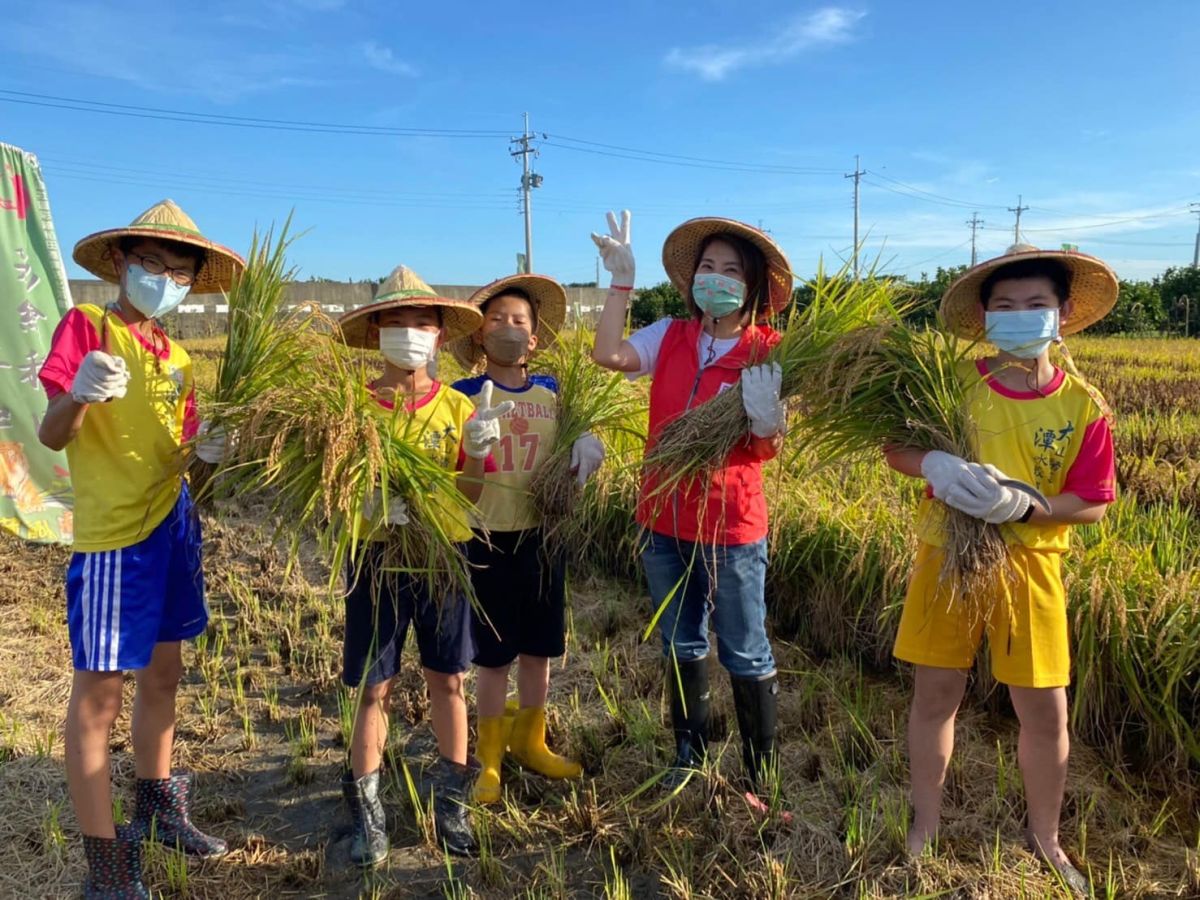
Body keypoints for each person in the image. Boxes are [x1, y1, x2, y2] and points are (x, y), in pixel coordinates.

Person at [885, 244, 1118, 893]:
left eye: (1035, 305)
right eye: (1006, 306)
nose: (1020, 316)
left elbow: (1094, 501)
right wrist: (932, 463)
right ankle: (925, 824)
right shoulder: (956, 386)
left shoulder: (1083, 405)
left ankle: (1046, 838)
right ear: (985, 316)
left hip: (1031, 568)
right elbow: (896, 446)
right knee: (935, 698)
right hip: (946, 560)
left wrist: (1030, 503)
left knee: (1045, 713)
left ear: (1063, 314)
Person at [38, 200, 244, 898]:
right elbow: (51, 433)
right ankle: (106, 864)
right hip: (114, 539)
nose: (164, 278)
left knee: (165, 673)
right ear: (123, 265)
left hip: (172, 524)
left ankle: (156, 807)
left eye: (177, 271)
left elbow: (181, 450)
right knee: (99, 695)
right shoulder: (88, 328)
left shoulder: (178, 356)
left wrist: (209, 452)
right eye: (150, 264)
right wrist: (79, 392)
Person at [590, 211, 792, 816]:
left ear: (752, 288)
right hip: (663, 522)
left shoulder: (769, 350)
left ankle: (761, 777)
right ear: (693, 279)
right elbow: (607, 355)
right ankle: (690, 756)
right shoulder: (671, 335)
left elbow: (770, 449)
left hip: (731, 527)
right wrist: (619, 285)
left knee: (746, 651)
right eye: (708, 267)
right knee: (681, 641)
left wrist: (766, 423)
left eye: (732, 271)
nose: (717, 278)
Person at [333, 265, 509, 865]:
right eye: (397, 322)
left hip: (443, 557)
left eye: (423, 323)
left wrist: (480, 456)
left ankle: (451, 807)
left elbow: (469, 498)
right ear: (377, 329)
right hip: (377, 558)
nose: (411, 332)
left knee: (448, 680)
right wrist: (364, 500)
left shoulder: (459, 410)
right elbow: (332, 490)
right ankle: (369, 817)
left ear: (438, 336)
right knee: (373, 688)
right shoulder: (352, 410)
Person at [448, 274, 604, 804]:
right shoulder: (462, 396)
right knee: (493, 657)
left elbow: (576, 437)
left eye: (519, 322)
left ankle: (530, 740)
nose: (508, 329)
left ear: (535, 339)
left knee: (539, 648)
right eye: (496, 320)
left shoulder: (553, 392)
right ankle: (489, 756)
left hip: (544, 536)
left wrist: (587, 439)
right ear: (478, 336)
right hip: (485, 536)